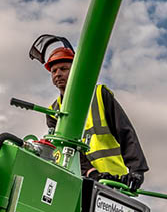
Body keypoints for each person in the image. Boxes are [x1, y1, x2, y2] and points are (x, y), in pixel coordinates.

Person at [42, 40, 148, 190]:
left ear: (75, 71)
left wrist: (137, 169)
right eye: (54, 71)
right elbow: (63, 147)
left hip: (113, 181)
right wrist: (90, 172)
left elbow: (125, 131)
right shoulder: (53, 111)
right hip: (77, 181)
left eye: (63, 69)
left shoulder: (99, 95)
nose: (58, 74)